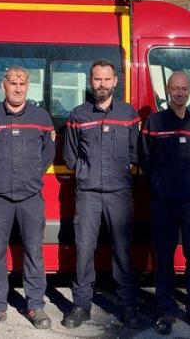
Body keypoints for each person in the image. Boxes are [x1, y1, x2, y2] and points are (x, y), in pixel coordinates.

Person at [0, 66, 55, 332]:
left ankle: (35, 305)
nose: (18, 88)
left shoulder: (41, 117)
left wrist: (30, 175)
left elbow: (47, 153)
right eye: (13, 83)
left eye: (22, 83)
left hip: (31, 196)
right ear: (3, 86)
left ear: (27, 87)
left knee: (34, 252)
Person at [62, 60, 143, 329]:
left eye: (107, 80)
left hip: (119, 193)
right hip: (88, 193)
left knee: (122, 251)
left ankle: (128, 305)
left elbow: (135, 151)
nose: (102, 85)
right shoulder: (78, 115)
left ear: (115, 82)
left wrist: (121, 169)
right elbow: (70, 155)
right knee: (84, 251)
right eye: (97, 79)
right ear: (90, 81)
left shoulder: (128, 113)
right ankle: (81, 305)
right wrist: (85, 171)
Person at [140, 71, 190, 335]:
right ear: (168, 91)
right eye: (175, 88)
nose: (180, 93)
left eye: (184, 88)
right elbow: (145, 157)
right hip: (164, 201)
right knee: (164, 256)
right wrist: (158, 184)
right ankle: (165, 310)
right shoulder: (155, 121)